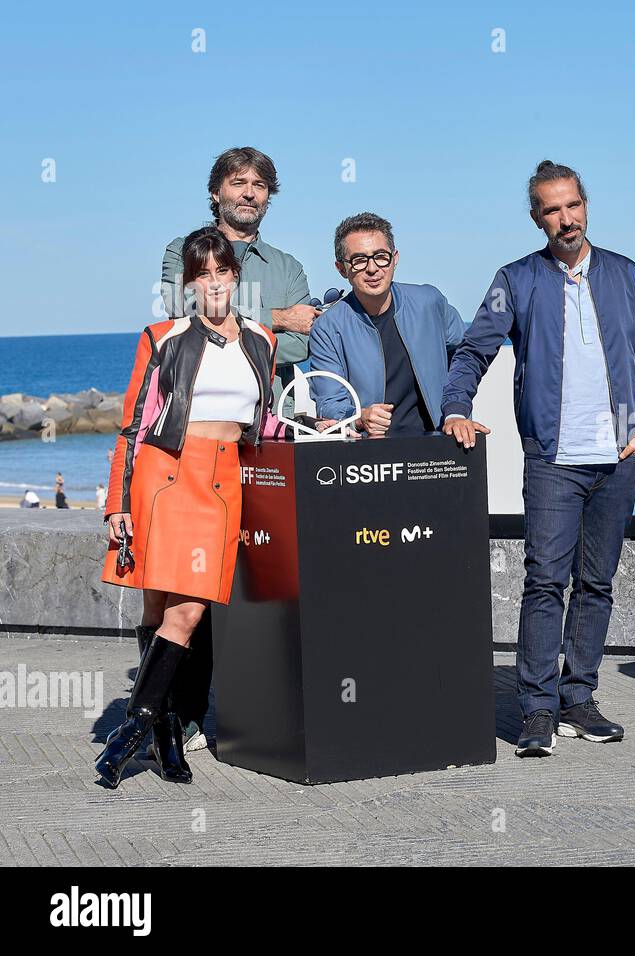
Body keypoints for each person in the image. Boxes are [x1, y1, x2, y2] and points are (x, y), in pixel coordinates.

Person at [442, 160, 635, 757]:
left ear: (585, 205)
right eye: (551, 209)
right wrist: (456, 406)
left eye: (572, 205)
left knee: (597, 583)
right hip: (552, 459)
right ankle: (536, 709)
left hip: (618, 458)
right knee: (545, 582)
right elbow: (473, 350)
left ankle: (580, 698)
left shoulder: (624, 273)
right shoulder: (515, 279)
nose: (565, 218)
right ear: (537, 218)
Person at [97, 226, 284, 788]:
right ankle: (164, 734)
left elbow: (263, 420)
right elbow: (132, 424)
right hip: (167, 475)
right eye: (201, 274)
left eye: (221, 271)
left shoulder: (262, 339)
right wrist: (116, 502)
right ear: (188, 284)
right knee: (160, 609)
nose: (213, 283)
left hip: (224, 480)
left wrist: (318, 428)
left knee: (189, 611)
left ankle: (133, 726)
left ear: (235, 275)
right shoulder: (163, 337)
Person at [159, 147, 317, 753]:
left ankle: (262, 709)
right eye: (237, 183)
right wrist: (275, 320)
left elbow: (298, 351)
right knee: (193, 584)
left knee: (264, 576)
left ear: (269, 196)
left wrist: (255, 329)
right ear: (216, 192)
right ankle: (186, 714)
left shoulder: (289, 263)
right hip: (196, 449)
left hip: (266, 442)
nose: (248, 193)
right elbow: (180, 312)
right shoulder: (186, 251)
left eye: (259, 185)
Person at [309, 213, 463, 435]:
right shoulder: (328, 328)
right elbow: (329, 402)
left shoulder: (430, 302)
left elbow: (465, 358)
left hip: (438, 444)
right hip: (374, 456)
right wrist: (359, 417)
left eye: (381, 256)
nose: (372, 269)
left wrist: (456, 409)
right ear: (342, 269)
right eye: (359, 260)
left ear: (395, 258)